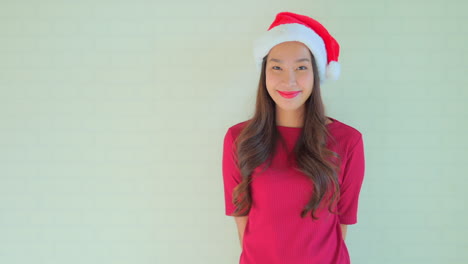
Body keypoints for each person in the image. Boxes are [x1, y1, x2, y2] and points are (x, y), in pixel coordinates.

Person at [222, 11, 366, 264]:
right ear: (264, 73)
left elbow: (342, 223)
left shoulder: (348, 140)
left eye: (301, 67)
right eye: (276, 67)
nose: (289, 80)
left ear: (316, 74)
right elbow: (241, 221)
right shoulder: (238, 139)